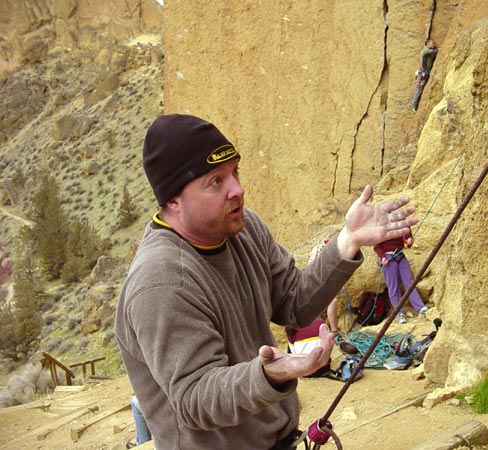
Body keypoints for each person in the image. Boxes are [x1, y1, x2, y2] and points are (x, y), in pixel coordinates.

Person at [114, 113, 418, 449]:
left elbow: (295, 303)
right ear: (172, 199)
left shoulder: (244, 229)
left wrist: (348, 241)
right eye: (216, 181)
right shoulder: (161, 282)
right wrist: (270, 374)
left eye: (235, 173)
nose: (238, 190)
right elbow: (195, 398)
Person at [373, 229, 427, 324]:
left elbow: (407, 237)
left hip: (400, 255)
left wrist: (410, 241)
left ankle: (420, 308)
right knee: (393, 286)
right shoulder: (382, 223)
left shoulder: (402, 221)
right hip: (388, 257)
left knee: (409, 282)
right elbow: (376, 246)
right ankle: (399, 313)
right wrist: (382, 257)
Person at [411, 39, 439, 112]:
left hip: (426, 72)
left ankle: (415, 105)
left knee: (421, 88)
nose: (434, 44)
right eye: (432, 43)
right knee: (419, 89)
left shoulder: (428, 52)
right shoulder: (425, 51)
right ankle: (414, 105)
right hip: (423, 73)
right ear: (428, 43)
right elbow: (435, 51)